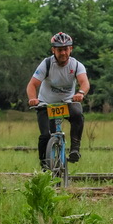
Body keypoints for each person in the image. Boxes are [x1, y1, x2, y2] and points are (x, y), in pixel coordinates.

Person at [26, 32, 90, 168]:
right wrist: (32, 99)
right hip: (46, 104)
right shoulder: (46, 64)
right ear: (53, 50)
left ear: (71, 49)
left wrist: (80, 93)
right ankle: (45, 166)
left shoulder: (76, 65)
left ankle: (75, 149)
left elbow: (84, 82)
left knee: (78, 113)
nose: (63, 53)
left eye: (66, 49)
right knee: (45, 136)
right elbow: (32, 85)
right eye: (59, 50)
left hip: (67, 102)